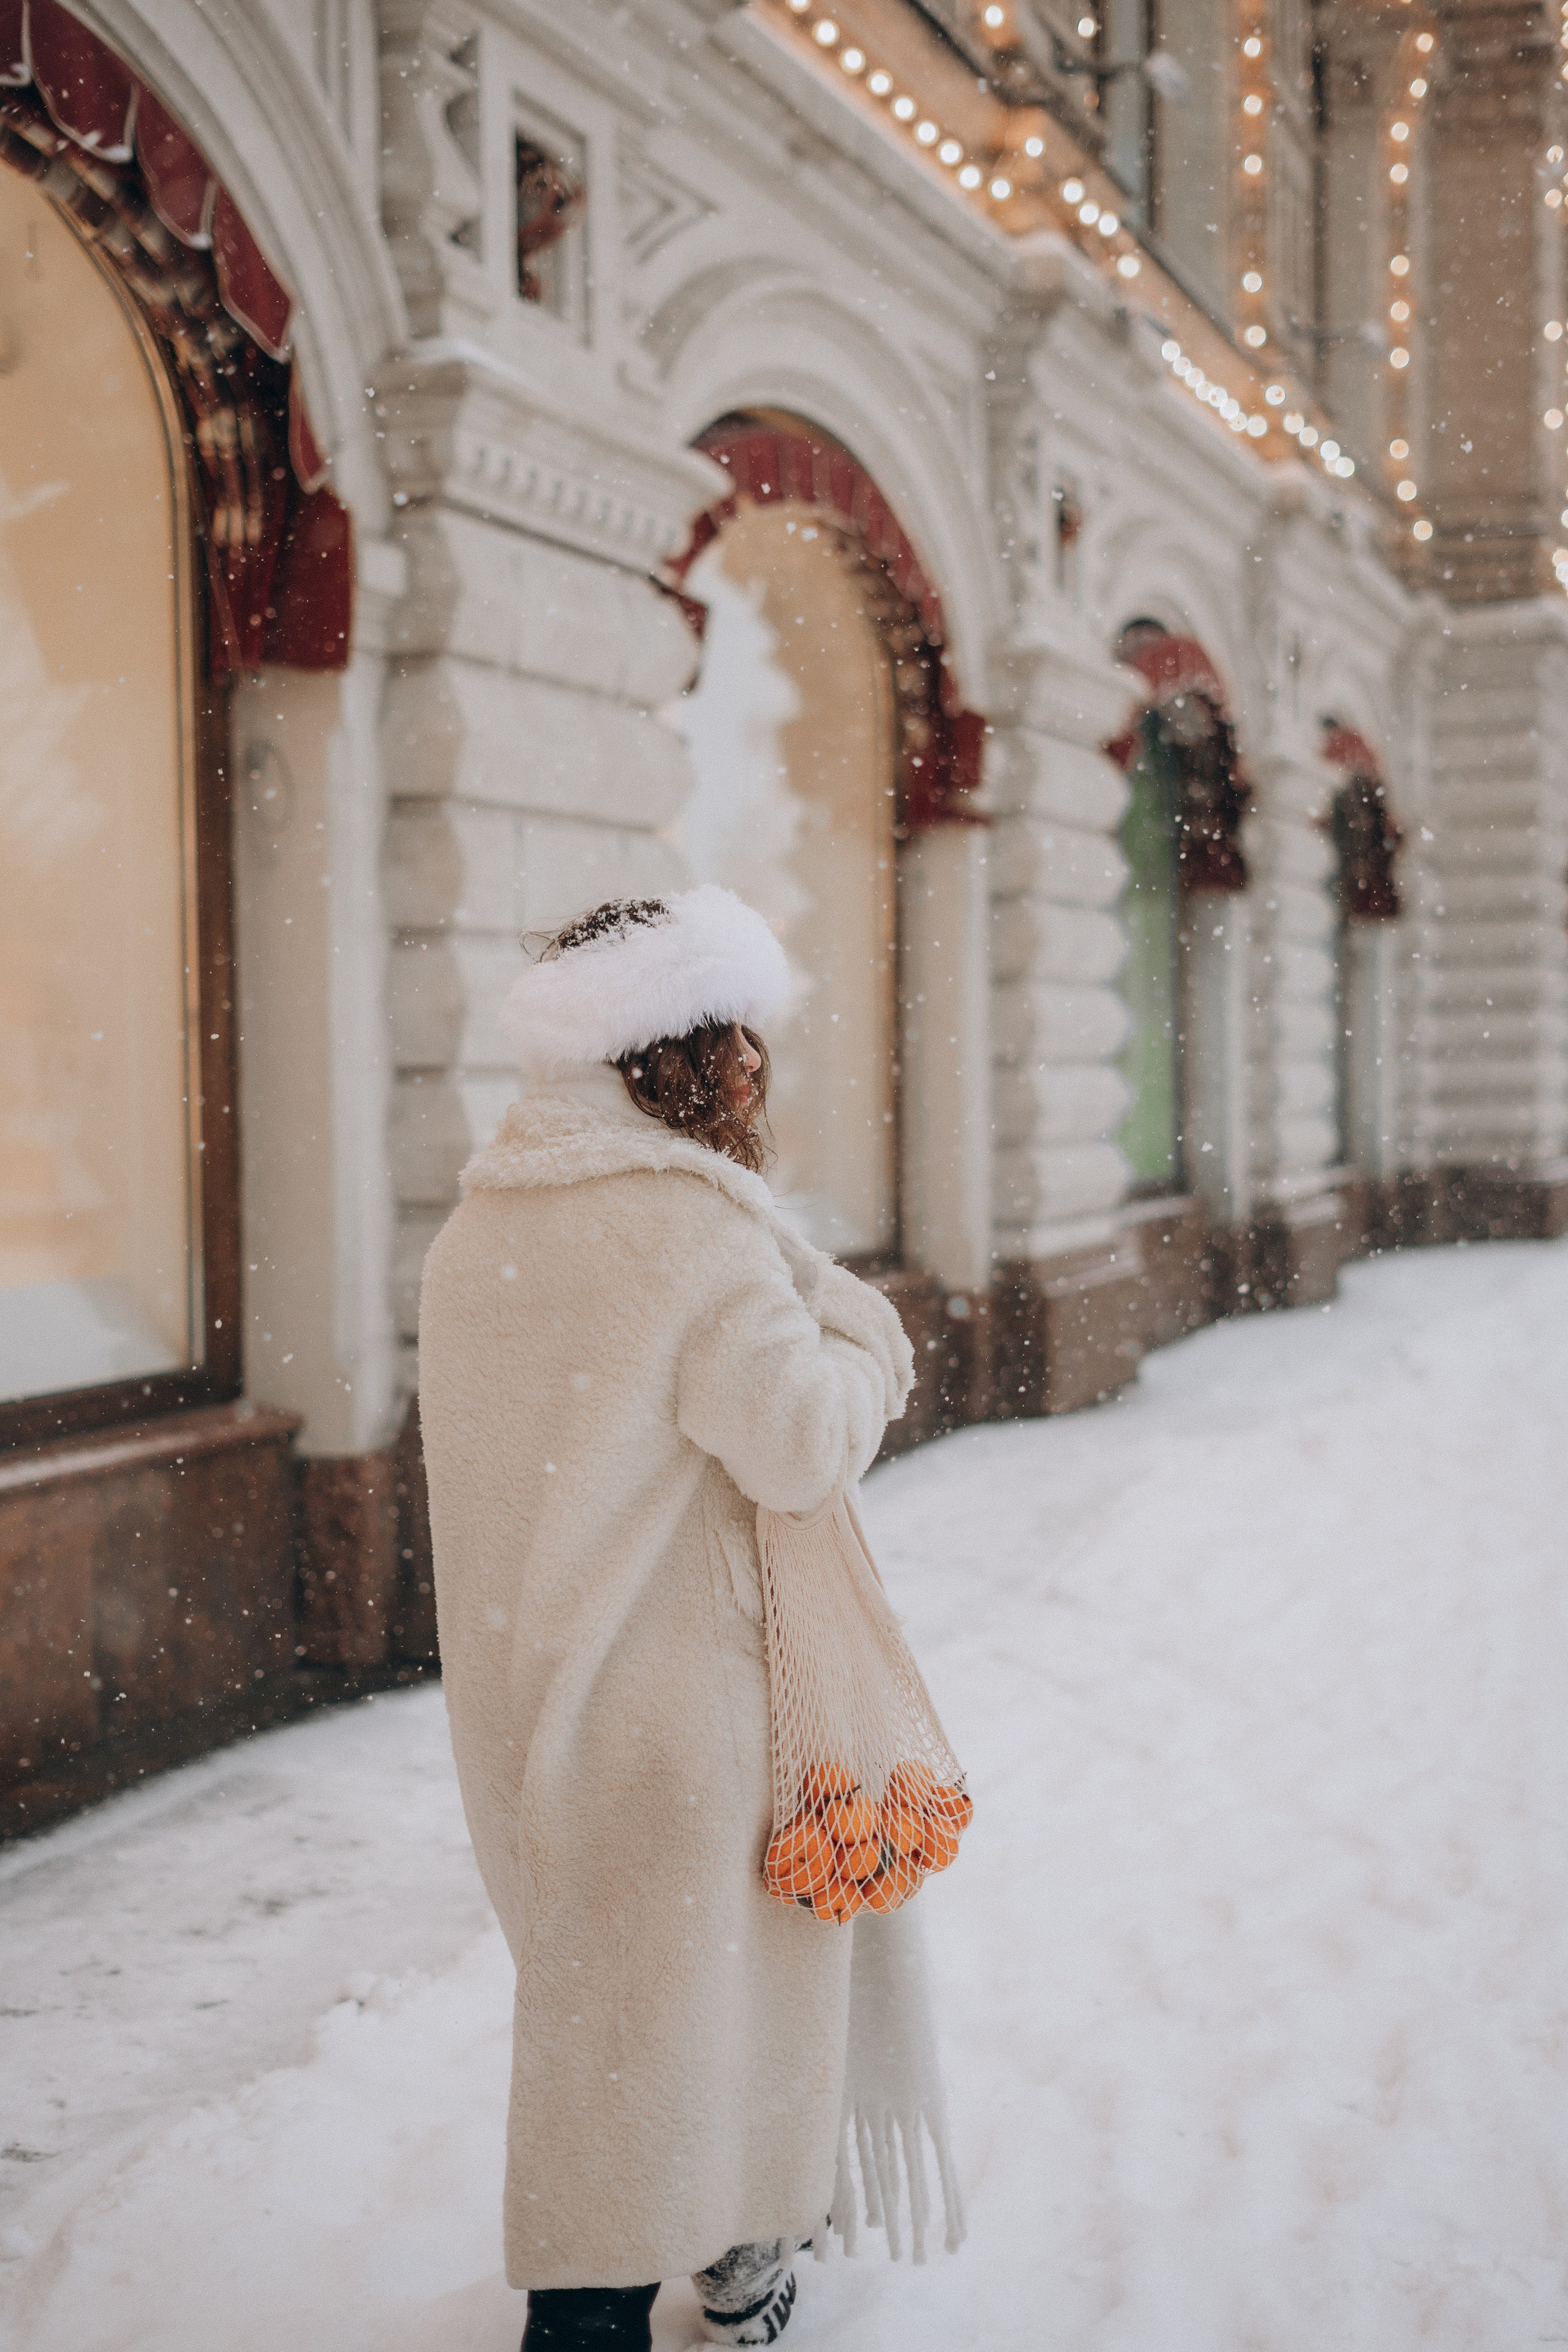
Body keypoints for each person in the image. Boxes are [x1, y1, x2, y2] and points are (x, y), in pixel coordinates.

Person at [419, 888, 930, 2351]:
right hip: (687, 1709)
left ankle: (706, 2264)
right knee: (695, 2031)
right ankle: (665, 2290)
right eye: (731, 1036)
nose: (752, 1066)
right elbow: (803, 1444)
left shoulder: (481, 1225)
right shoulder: (688, 1230)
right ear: (665, 1050)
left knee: (618, 2025)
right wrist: (866, 1332)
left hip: (534, 1700)